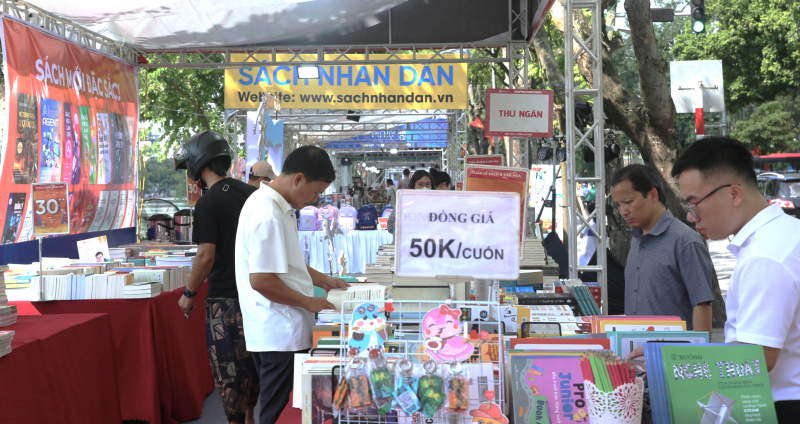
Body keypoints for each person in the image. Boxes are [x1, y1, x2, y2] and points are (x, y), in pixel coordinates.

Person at [671, 137, 800, 422]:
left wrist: (668, 363)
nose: (692, 218)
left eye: (694, 204)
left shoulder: (763, 257)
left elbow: (755, 358)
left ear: (734, 194)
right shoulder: (787, 233)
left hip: (783, 408)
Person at [235, 145, 349, 424]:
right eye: (315, 192)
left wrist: (319, 278)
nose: (314, 200)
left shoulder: (275, 205)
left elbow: (282, 260)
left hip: (281, 328)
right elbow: (261, 280)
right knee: (277, 413)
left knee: (284, 408)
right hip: (279, 332)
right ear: (298, 178)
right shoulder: (267, 213)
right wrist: (308, 301)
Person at [174, 130, 259, 424]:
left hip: (224, 300)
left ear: (200, 164)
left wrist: (188, 293)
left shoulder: (208, 204)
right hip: (258, 294)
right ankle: (251, 418)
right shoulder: (252, 194)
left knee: (229, 372)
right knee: (254, 365)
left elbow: (205, 256)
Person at [609, 164, 714, 333]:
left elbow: (702, 304)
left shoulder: (686, 241)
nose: (623, 211)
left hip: (673, 354)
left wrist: (700, 353)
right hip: (636, 351)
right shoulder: (636, 239)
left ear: (652, 195)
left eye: (628, 202)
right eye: (618, 205)